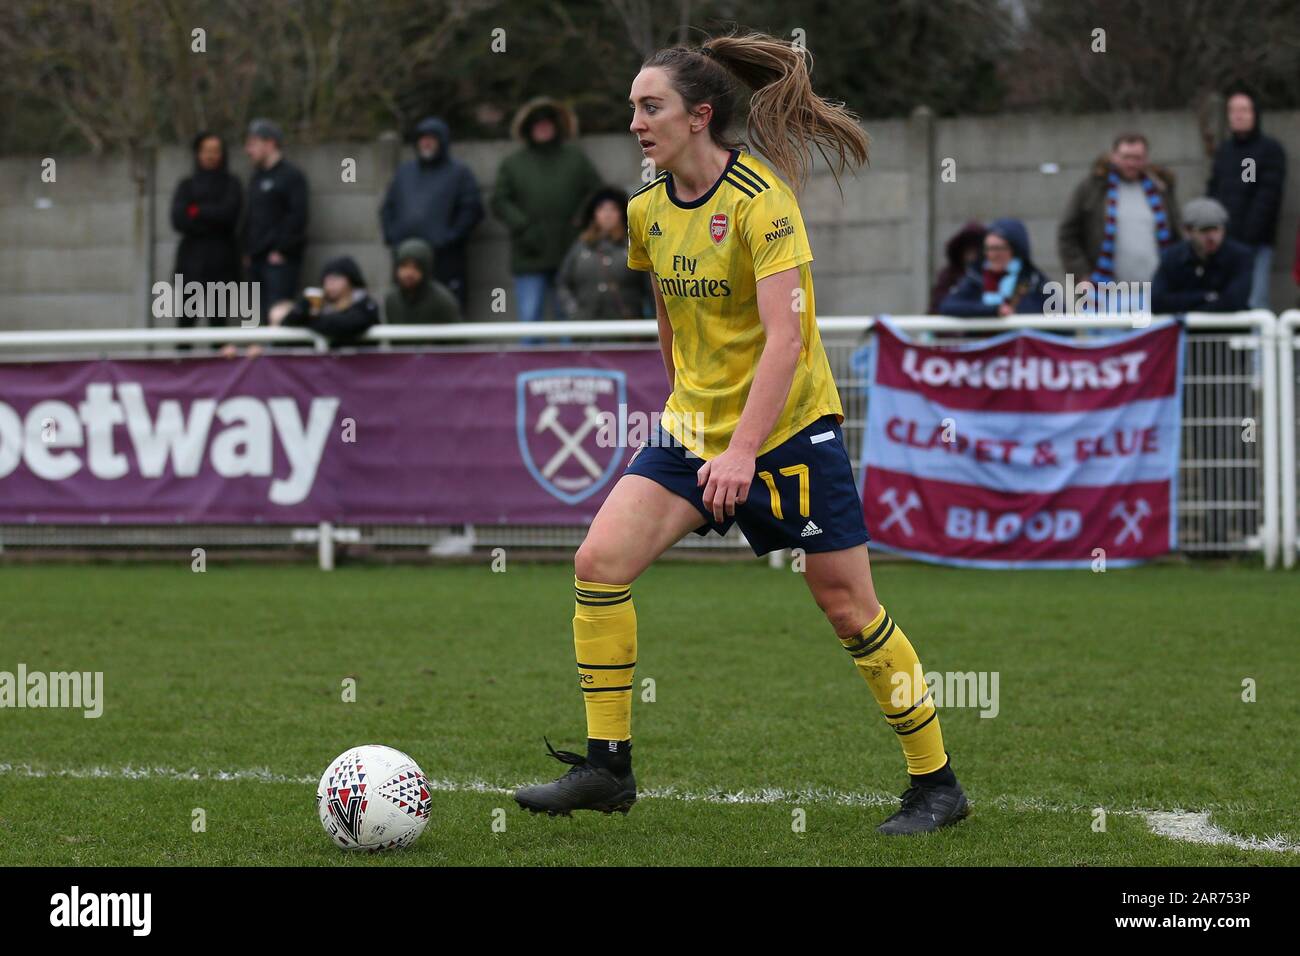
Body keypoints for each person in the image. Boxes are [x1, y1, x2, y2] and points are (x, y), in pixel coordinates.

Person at [511, 33, 968, 836]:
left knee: (848, 607)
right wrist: (691, 415)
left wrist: (743, 449)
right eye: (632, 108)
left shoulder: (764, 200)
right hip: (696, 433)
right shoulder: (647, 210)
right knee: (597, 562)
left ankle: (937, 786)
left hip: (789, 432)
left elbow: (786, 342)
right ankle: (606, 768)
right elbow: (668, 322)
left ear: (700, 117)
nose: (635, 122)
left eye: (650, 107)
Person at [491, 97, 603, 325]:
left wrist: (580, 220)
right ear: (528, 129)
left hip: (569, 252)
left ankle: (571, 360)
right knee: (530, 318)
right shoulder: (513, 164)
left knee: (570, 321)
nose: (543, 129)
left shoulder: (575, 159)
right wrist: (522, 226)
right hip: (529, 253)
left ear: (556, 127)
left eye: (547, 124)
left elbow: (597, 193)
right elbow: (499, 201)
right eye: (537, 124)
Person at [1057, 133, 1179, 300]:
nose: (1131, 163)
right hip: (1103, 291)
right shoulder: (1091, 188)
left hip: (1155, 290)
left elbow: (1176, 235)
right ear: (1114, 156)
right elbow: (1067, 235)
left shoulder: (1161, 190)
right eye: (1126, 157)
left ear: (1146, 159)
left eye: (1137, 158)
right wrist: (1081, 275)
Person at [379, 116, 483, 309]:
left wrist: (448, 239)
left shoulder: (459, 173)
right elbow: (388, 208)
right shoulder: (404, 172)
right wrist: (392, 238)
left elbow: (472, 211)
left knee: (446, 312)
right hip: (406, 261)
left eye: (432, 138)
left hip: (444, 261)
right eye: (422, 138)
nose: (426, 142)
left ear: (442, 141)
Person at [1207, 91, 1287, 310]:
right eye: (1233, 111)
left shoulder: (1265, 150)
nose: (1238, 116)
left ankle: (1259, 346)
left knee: (1254, 301)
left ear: (1255, 114)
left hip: (1254, 245)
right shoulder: (1224, 151)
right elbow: (1214, 190)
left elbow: (1265, 197)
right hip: (1222, 244)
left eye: (1243, 110)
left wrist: (1246, 236)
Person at [169, 132, 242, 339]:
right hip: (190, 266)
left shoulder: (231, 184)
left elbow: (229, 215)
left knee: (218, 324)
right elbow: (178, 219)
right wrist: (211, 217)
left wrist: (198, 211)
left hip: (221, 265)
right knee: (185, 324)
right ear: (198, 154)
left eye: (215, 151)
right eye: (206, 151)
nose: (211, 156)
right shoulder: (186, 185)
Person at [243, 118, 309, 319]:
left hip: (279, 263)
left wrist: (282, 249)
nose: (248, 150)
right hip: (256, 261)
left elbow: (298, 217)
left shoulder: (291, 176)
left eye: (253, 143)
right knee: (255, 318)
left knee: (277, 315)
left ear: (270, 143)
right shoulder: (256, 177)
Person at [556, 186, 653, 320]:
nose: (607, 214)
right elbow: (563, 283)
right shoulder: (580, 247)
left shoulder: (633, 245)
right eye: (601, 209)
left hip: (627, 331)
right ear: (594, 214)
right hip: (586, 329)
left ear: (621, 213)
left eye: (613, 209)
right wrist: (574, 311)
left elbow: (651, 287)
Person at [1151, 198, 1252, 314]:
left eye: (1216, 229)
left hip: (1230, 330)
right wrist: (1206, 296)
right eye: (1204, 230)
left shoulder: (1239, 256)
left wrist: (1186, 305)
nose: (1212, 237)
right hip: (1185, 330)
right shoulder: (1172, 257)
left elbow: (1235, 302)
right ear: (1187, 231)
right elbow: (1157, 301)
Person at [938, 218, 1050, 316]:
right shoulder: (975, 278)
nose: (992, 254)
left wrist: (1016, 311)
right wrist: (994, 310)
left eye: (999, 248)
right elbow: (948, 306)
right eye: (988, 248)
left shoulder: (1035, 280)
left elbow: (1058, 317)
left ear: (1015, 250)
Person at [274, 256, 379, 347]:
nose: (330, 284)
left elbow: (346, 326)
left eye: (336, 278)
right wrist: (302, 308)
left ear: (351, 280)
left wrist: (310, 320)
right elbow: (287, 323)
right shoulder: (319, 304)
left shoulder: (366, 304)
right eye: (327, 279)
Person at [383, 238, 461, 324]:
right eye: (404, 266)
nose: (409, 273)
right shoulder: (392, 300)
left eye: (415, 267)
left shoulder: (442, 301)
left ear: (425, 270)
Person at [929, 221, 985, 314]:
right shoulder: (949, 276)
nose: (971, 256)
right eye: (967, 250)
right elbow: (941, 305)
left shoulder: (987, 274)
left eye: (975, 250)